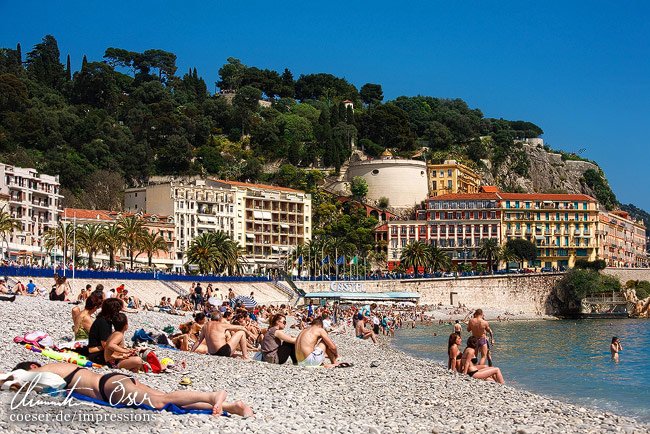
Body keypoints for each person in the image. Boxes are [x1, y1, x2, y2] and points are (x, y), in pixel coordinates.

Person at [8, 361, 253, 417]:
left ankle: (213, 395)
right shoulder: (55, 369)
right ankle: (232, 407)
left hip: (108, 387)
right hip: (112, 382)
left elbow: (18, 380)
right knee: (166, 402)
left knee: (161, 400)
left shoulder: (45, 369)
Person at [87, 298, 124, 365]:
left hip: (96, 352)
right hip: (96, 355)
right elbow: (105, 345)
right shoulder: (104, 323)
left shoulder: (103, 320)